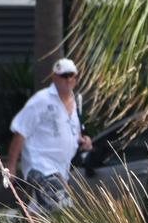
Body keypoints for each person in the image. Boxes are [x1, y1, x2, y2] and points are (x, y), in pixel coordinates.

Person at [6, 58, 92, 214]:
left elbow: (73, 133)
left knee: (40, 211)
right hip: (40, 165)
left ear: (76, 78)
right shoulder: (41, 100)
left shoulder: (76, 101)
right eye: (63, 75)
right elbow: (20, 131)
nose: (67, 79)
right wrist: (11, 166)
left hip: (62, 169)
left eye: (70, 75)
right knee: (62, 206)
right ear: (54, 77)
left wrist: (83, 141)